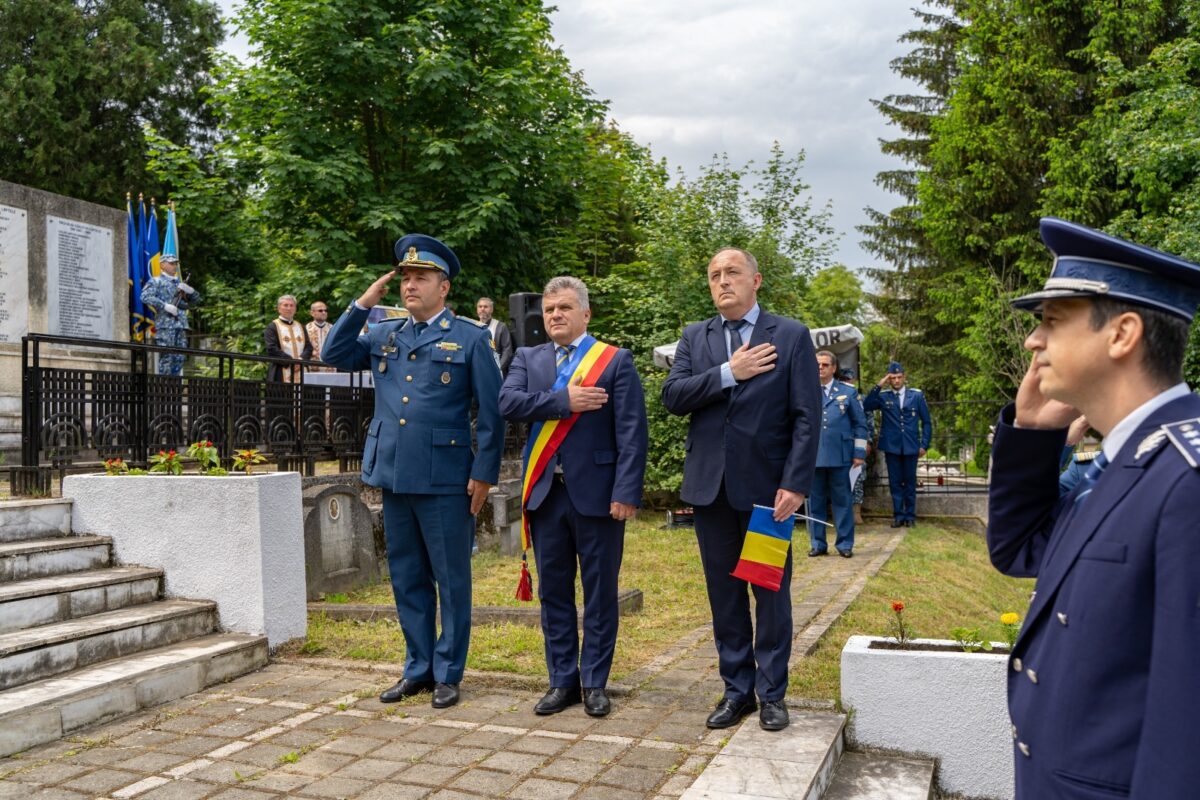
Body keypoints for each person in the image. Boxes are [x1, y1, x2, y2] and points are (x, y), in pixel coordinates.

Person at [988, 217, 1200, 798]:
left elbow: (1188, 728)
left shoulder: (1187, 478)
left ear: (1122, 334)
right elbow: (1020, 548)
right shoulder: (1128, 458)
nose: (1034, 342)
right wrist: (1032, 433)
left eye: (1052, 322)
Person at [321, 234, 503, 710]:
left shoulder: (470, 337)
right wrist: (363, 303)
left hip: (445, 476)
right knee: (405, 577)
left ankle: (448, 671)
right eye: (405, 277)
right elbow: (332, 353)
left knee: (450, 577)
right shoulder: (385, 332)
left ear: (443, 287)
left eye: (420, 277)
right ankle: (417, 668)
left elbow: (492, 413)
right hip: (395, 474)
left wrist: (484, 474)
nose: (409, 285)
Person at [661, 247, 821, 732]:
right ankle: (737, 692)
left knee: (770, 594)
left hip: (767, 493)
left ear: (757, 279)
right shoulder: (696, 336)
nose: (722, 281)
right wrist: (732, 372)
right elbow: (674, 396)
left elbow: (806, 417)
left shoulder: (790, 336)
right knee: (724, 596)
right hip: (710, 491)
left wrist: (795, 483)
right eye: (714, 275)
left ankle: (772, 693)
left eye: (732, 272)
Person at [498, 276, 648, 718]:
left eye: (564, 308)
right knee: (555, 593)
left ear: (585, 313)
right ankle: (562, 680)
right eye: (549, 310)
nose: (555, 316)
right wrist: (563, 400)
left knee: (600, 593)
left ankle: (595, 683)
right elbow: (509, 403)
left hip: (600, 496)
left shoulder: (614, 360)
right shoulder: (529, 357)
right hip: (546, 495)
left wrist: (626, 491)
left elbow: (632, 432)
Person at [808, 352, 868, 558]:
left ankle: (844, 544)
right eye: (817, 364)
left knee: (842, 501)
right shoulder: (806, 391)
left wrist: (859, 453)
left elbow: (860, 424)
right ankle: (818, 543)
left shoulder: (848, 392)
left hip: (841, 456)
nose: (820, 368)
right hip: (813, 457)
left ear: (834, 368)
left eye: (825, 365)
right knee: (815, 503)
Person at [863, 362, 932, 527]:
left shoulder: (916, 395)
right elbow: (867, 405)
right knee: (895, 483)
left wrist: (924, 444)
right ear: (889, 379)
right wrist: (880, 384)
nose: (896, 381)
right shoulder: (884, 396)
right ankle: (898, 517)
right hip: (892, 446)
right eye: (892, 378)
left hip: (910, 446)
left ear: (904, 377)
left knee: (909, 482)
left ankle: (910, 517)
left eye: (899, 377)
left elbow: (927, 422)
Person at [139, 253, 200, 376]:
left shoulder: (180, 284)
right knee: (167, 358)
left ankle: (174, 389)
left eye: (176, 264)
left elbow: (195, 302)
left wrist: (192, 292)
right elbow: (145, 296)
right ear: (162, 265)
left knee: (180, 358)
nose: (174, 266)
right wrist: (165, 306)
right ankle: (164, 390)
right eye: (171, 263)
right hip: (166, 325)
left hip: (181, 325)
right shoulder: (156, 281)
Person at [839, 368, 875, 524]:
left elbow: (868, 422)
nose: (847, 382)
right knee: (839, 478)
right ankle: (841, 513)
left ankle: (856, 512)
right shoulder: (836, 397)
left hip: (857, 443)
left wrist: (868, 441)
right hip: (841, 443)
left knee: (858, 477)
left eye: (849, 380)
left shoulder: (861, 398)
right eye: (844, 380)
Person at [264, 295, 313, 382]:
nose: (289, 308)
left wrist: (300, 360)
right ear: (279, 308)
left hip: (302, 369)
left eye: (292, 305)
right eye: (285, 305)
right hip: (281, 370)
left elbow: (308, 347)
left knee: (302, 394)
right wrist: (291, 361)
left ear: (295, 309)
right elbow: (271, 348)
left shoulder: (300, 326)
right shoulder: (272, 326)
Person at [477, 296, 514, 374]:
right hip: (478, 370)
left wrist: (498, 368)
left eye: (485, 307)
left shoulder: (501, 327)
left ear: (491, 309)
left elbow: (507, 351)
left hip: (496, 371)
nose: (482, 309)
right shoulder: (473, 326)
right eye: (480, 306)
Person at [305, 301, 334, 371]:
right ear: (312, 313)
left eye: (325, 310)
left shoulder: (332, 328)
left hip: (330, 367)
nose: (324, 312)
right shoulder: (306, 328)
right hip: (312, 366)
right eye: (320, 310)